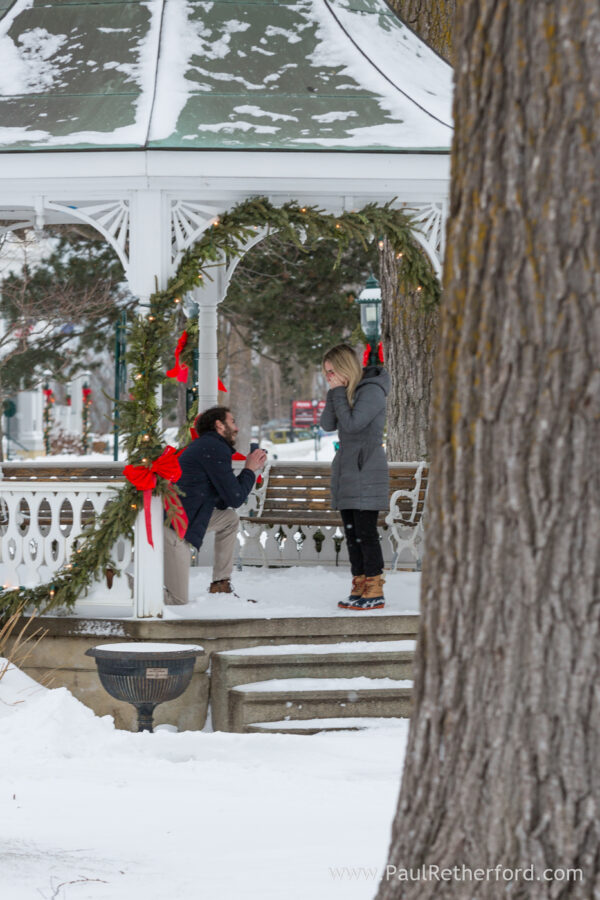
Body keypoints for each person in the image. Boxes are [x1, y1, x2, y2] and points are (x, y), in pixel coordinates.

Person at [163, 406, 267, 604]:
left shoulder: (207, 446)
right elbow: (235, 498)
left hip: (184, 519)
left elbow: (222, 501)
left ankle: (220, 584)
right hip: (173, 527)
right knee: (177, 599)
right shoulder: (213, 448)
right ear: (219, 425)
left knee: (229, 519)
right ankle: (118, 583)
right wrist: (250, 470)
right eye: (232, 422)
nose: (236, 428)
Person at [320, 344, 390, 610]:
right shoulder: (343, 393)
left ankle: (374, 586)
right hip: (348, 470)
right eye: (326, 373)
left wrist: (338, 392)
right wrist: (334, 393)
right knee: (351, 533)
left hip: (367, 468)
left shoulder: (372, 391)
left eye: (331, 371)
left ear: (344, 368)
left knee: (365, 531)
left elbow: (352, 424)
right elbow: (328, 424)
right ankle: (359, 583)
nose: (329, 377)